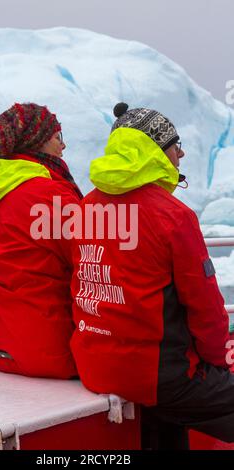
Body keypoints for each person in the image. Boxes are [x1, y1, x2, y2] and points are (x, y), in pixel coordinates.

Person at [70, 103, 234, 446]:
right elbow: (205, 309)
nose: (182, 153)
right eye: (175, 145)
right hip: (159, 377)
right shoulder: (173, 215)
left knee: (165, 419)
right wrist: (221, 365)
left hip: (96, 367)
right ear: (154, 153)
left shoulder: (86, 208)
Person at [0, 102, 82, 379]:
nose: (63, 147)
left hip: (3, 353)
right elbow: (94, 260)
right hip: (54, 353)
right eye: (58, 137)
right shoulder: (49, 195)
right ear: (38, 141)